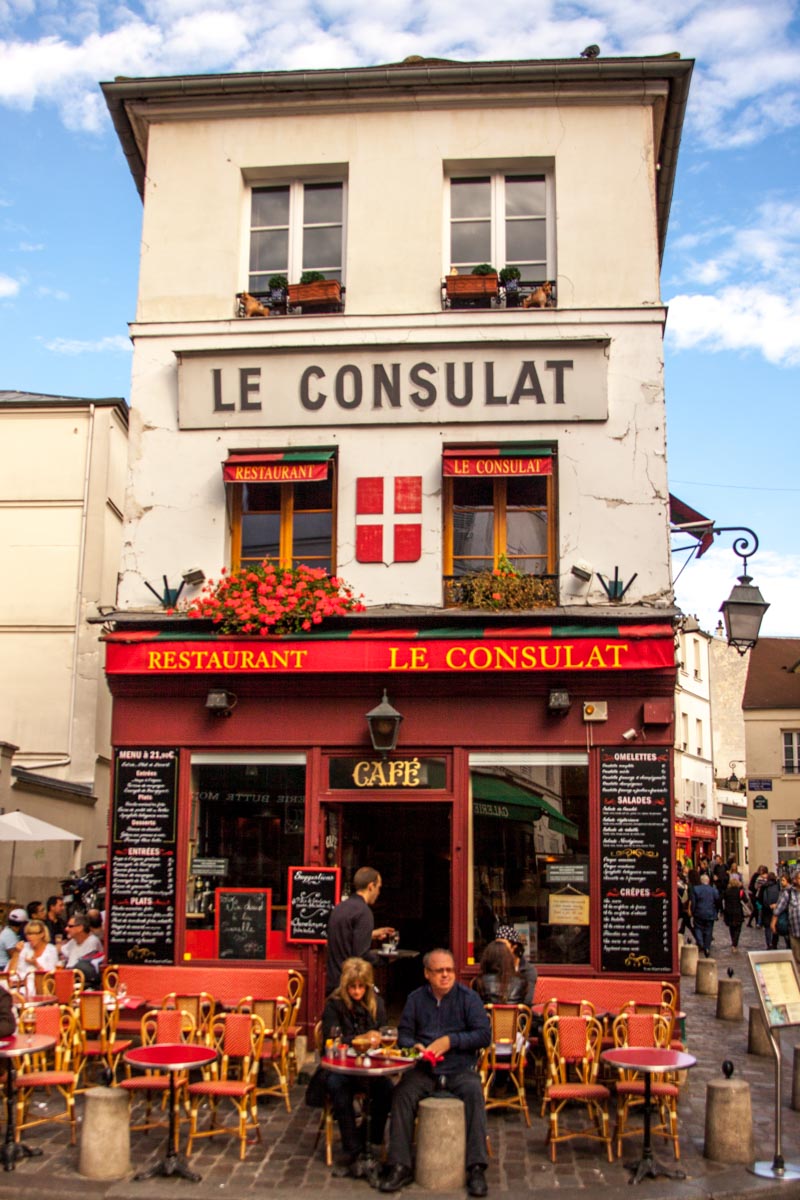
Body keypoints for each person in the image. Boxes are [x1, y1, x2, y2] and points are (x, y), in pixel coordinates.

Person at [379, 948, 490, 1197]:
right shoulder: (416, 999)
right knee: (402, 1095)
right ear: (427, 974)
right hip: (425, 1070)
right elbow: (404, 1034)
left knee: (474, 1092)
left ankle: (476, 1168)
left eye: (449, 970)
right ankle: (400, 1165)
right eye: (439, 971)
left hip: (459, 1068)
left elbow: (484, 1035)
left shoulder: (468, 998)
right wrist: (414, 1046)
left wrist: (451, 1041)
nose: (445, 975)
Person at [314, 957, 393, 1178]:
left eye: (361, 987)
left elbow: (383, 1031)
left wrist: (378, 1038)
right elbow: (332, 1039)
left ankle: (369, 1138)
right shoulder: (334, 1005)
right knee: (338, 1088)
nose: (357, 991)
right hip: (341, 1067)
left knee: (387, 1089)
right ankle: (354, 1149)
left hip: (370, 1065)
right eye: (352, 987)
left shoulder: (376, 1004)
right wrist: (362, 1037)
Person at [326, 868, 395, 995]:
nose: (378, 893)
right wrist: (385, 959)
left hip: (332, 982)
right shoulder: (363, 912)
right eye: (378, 888)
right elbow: (361, 955)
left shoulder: (339, 907)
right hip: (350, 986)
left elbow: (344, 936)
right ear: (371, 886)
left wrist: (370, 934)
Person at [475, 939, 531, 1005]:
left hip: (487, 1012)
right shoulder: (522, 982)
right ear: (508, 959)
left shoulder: (479, 982)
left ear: (487, 959)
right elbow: (526, 1005)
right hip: (514, 1012)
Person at [493, 924, 536, 1004]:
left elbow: (527, 999)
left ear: (514, 947)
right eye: (497, 945)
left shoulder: (528, 970)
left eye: (503, 945)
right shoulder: (494, 966)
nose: (499, 949)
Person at [8, 918, 59, 985]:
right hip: (19, 984)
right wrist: (16, 953)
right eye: (28, 934)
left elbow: (50, 976)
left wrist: (35, 964)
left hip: (40, 985)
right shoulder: (23, 947)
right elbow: (10, 973)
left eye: (33, 934)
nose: (30, 937)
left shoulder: (51, 949)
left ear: (42, 934)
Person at [771, 868, 800, 964]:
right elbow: (779, 908)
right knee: (797, 959)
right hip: (795, 931)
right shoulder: (789, 892)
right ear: (795, 880)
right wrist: (773, 922)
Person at [690, 873, 717, 958]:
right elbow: (717, 901)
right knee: (709, 931)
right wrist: (716, 911)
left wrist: (693, 911)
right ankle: (707, 947)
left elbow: (694, 902)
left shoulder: (696, 889)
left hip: (699, 912)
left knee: (698, 928)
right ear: (708, 881)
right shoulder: (713, 890)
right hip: (710, 913)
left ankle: (701, 943)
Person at [721, 872, 746, 952]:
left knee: (731, 928)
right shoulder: (740, 891)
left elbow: (722, 899)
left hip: (729, 912)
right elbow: (746, 900)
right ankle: (735, 944)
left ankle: (733, 941)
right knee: (738, 928)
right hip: (738, 911)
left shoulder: (726, 891)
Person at [759, 871, 781, 949]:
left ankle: (769, 943)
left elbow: (760, 898)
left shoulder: (764, 886)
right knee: (775, 925)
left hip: (766, 909)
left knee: (767, 927)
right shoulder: (778, 886)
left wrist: (766, 905)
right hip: (776, 908)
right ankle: (774, 943)